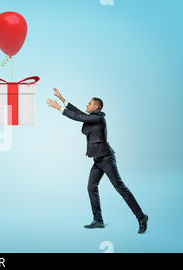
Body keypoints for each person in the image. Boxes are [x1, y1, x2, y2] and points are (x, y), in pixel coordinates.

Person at [46, 88, 148, 234]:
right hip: (98, 160)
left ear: (96, 107)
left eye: (89, 103)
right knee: (91, 187)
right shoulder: (92, 117)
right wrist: (62, 98)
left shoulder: (98, 118)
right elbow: (80, 113)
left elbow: (77, 117)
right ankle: (98, 220)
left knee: (120, 188)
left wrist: (58, 108)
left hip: (106, 158)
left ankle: (141, 217)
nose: (87, 105)